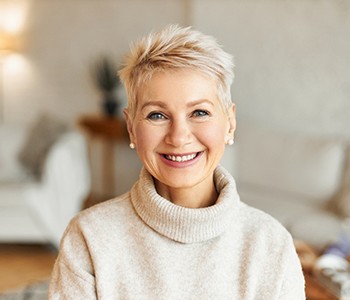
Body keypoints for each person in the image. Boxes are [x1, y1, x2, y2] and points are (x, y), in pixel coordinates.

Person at [49, 25, 305, 299]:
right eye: (157, 115)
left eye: (199, 112)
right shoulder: (89, 238)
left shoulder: (271, 244)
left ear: (230, 123)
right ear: (132, 128)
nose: (179, 137)